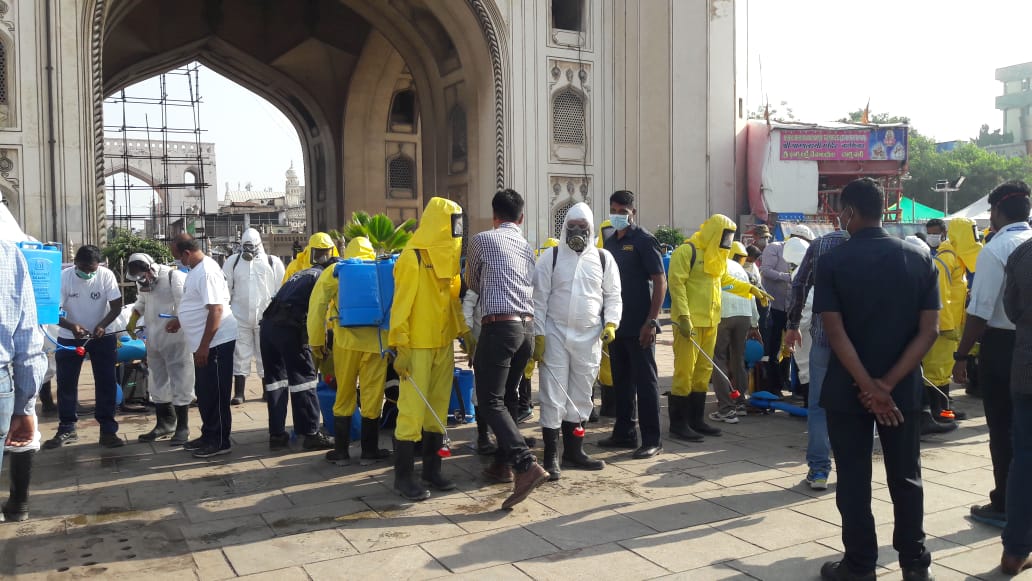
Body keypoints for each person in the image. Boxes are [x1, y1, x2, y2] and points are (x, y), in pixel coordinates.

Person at [814, 177, 938, 581]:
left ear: (848, 211)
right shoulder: (919, 258)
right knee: (906, 475)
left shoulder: (833, 261)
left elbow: (835, 332)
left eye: (840, 211)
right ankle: (914, 564)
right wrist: (886, 386)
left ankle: (860, 564)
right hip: (901, 389)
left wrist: (868, 386)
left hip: (848, 388)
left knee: (853, 478)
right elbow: (928, 331)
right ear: (883, 208)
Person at [952, 181, 1032, 530]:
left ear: (997, 212)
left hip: (1003, 346)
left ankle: (1004, 502)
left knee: (1002, 429)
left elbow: (980, 311)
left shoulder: (996, 248)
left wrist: (961, 355)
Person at [466, 190, 549, 508]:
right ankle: (502, 465)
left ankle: (525, 465)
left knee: (488, 401)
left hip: (499, 326)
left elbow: (472, 281)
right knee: (509, 397)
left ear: (494, 216)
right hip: (525, 329)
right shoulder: (526, 246)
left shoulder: (482, 240)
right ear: (522, 218)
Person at [391, 197, 476, 502]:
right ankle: (403, 478)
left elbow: (452, 304)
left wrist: (464, 333)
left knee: (437, 408)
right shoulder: (411, 260)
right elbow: (399, 309)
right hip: (416, 346)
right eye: (454, 226)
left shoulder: (448, 264)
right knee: (412, 411)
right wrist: (400, 346)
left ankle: (431, 470)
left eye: (460, 227)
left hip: (443, 344)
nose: (457, 234)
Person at [532, 202, 622, 480]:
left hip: (589, 337)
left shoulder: (604, 259)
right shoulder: (552, 257)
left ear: (591, 229)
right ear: (564, 227)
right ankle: (550, 456)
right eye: (572, 226)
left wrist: (611, 323)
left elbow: (613, 295)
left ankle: (574, 451)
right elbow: (538, 300)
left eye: (583, 227)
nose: (577, 232)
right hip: (555, 334)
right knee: (553, 394)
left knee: (582, 394)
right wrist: (539, 335)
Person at [668, 215, 769, 441]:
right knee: (685, 372)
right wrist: (683, 316)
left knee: (703, 372)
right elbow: (676, 284)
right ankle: (678, 424)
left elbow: (725, 281)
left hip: (712, 322)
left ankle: (696, 420)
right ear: (715, 232)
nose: (727, 241)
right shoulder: (687, 252)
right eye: (725, 236)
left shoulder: (717, 257)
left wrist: (750, 290)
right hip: (690, 324)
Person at [308, 236, 392, 465]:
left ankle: (342, 452)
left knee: (344, 394)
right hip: (377, 343)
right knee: (372, 396)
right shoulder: (384, 269)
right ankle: (369, 451)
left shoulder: (337, 270)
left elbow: (317, 307)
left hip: (345, 344)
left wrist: (316, 341)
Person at [598, 190, 666, 459]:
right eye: (614, 211)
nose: (617, 216)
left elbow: (660, 281)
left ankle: (652, 439)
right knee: (622, 381)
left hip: (641, 326)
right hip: (617, 326)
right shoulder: (610, 243)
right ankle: (624, 433)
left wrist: (652, 321)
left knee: (646, 383)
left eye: (623, 212)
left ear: (633, 213)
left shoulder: (644, 240)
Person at [785, 228, 849, 491]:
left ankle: (820, 470)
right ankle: (853, 471)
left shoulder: (822, 245)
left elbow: (799, 285)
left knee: (820, 406)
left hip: (825, 339)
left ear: (847, 211)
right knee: (860, 406)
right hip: (862, 344)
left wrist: (791, 324)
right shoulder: (882, 245)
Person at [260, 232, 336, 452]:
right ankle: (311, 434)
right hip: (288, 329)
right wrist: (320, 341)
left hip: (267, 327)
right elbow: (317, 313)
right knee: (304, 380)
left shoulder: (300, 273)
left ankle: (277, 435)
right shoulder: (324, 276)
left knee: (276, 381)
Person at [44, 245, 125, 449]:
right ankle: (67, 428)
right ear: (76, 263)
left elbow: (116, 305)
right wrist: (71, 326)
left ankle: (108, 430)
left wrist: (102, 325)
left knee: (106, 382)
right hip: (69, 337)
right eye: (84, 269)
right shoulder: (64, 278)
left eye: (92, 270)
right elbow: (54, 310)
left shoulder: (105, 275)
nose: (88, 273)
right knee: (66, 383)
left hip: (102, 336)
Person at [172, 233, 238, 459]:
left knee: (216, 394)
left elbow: (216, 311)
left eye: (179, 258)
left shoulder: (207, 272)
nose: (178, 263)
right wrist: (181, 320)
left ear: (187, 253)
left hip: (215, 344)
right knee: (204, 392)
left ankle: (220, 441)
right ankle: (209, 433)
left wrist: (204, 347)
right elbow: (198, 305)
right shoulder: (196, 270)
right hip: (204, 343)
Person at [0, 208, 48, 522]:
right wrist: (27, 405)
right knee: (20, 435)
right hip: (5, 375)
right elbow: (29, 341)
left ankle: (19, 502)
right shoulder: (12, 254)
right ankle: (18, 503)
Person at [125, 253, 195, 444]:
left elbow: (186, 304)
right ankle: (165, 423)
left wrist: (179, 320)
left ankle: (182, 427)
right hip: (154, 340)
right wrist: (133, 317)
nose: (142, 281)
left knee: (181, 381)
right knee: (157, 381)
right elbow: (142, 301)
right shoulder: (143, 282)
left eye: (143, 276)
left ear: (150, 268)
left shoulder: (173, 277)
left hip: (176, 340)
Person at [905, 234, 960, 435]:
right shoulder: (925, 270)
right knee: (928, 376)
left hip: (921, 334)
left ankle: (933, 414)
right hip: (926, 334)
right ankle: (926, 417)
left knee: (931, 375)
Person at [223, 228, 285, 405]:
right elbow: (225, 289)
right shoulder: (232, 262)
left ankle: (267, 390)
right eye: (245, 247)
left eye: (251, 246)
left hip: (265, 317)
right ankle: (239, 393)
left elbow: (280, 290)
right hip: (239, 316)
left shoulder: (273, 263)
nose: (248, 251)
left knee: (264, 353)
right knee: (240, 354)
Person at [1001, 236, 1032, 574]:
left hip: (1027, 368)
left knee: (1025, 462)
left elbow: (1011, 309)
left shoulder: (1024, 252)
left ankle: (1016, 551)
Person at [709, 242, 762, 424]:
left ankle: (725, 408)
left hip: (723, 314)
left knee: (718, 359)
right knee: (738, 359)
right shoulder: (743, 271)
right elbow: (751, 295)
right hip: (744, 315)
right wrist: (755, 325)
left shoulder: (719, 264)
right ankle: (740, 403)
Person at [760, 224, 815, 396]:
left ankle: (790, 384)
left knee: (792, 349)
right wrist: (790, 277)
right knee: (773, 347)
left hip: (793, 310)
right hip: (775, 308)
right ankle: (773, 386)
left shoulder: (805, 255)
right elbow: (765, 271)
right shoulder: (775, 249)